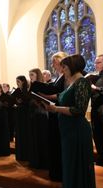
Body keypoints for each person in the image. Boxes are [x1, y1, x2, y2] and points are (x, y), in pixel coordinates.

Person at [45, 54, 101, 188]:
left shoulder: (82, 82)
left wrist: (56, 109)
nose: (63, 70)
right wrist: (41, 97)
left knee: (78, 169)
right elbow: (60, 96)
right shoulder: (70, 83)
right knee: (70, 169)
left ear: (73, 67)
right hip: (67, 131)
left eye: (65, 67)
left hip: (77, 131)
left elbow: (79, 110)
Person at [30, 51, 68, 181]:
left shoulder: (65, 77)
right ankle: (55, 172)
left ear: (62, 62)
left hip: (59, 112)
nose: (52, 65)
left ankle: (59, 173)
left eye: (54, 62)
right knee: (53, 143)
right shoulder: (59, 77)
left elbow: (60, 95)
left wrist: (43, 96)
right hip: (53, 112)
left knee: (57, 144)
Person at [28, 68, 49, 169]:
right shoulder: (31, 87)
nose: (30, 77)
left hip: (41, 115)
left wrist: (38, 102)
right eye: (29, 75)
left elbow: (46, 101)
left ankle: (43, 162)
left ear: (37, 75)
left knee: (42, 139)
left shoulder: (42, 86)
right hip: (33, 115)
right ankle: (35, 160)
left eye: (32, 75)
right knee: (34, 138)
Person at [11, 76, 32, 162]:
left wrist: (21, 102)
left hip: (25, 115)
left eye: (19, 81)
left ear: (23, 82)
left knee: (24, 133)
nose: (17, 83)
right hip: (18, 114)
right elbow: (11, 99)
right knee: (18, 133)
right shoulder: (16, 91)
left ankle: (26, 155)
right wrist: (15, 102)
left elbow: (29, 101)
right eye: (16, 81)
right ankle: (19, 155)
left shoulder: (27, 90)